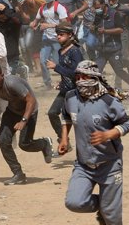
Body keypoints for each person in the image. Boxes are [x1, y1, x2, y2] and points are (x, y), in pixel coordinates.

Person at [60, 60, 129, 225]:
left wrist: (109, 134)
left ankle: (108, 208)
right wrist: (65, 138)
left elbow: (126, 124)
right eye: (77, 77)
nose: (79, 81)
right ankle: (104, 205)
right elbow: (66, 116)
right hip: (84, 165)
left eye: (84, 76)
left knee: (112, 219)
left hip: (110, 166)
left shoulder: (108, 101)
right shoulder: (71, 97)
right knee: (74, 202)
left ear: (94, 77)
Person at [0, 63, 53, 185]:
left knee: (24, 144)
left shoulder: (12, 84)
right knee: (3, 140)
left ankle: (44, 144)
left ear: (2, 75)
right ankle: (18, 174)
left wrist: (23, 121)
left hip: (29, 111)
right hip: (12, 111)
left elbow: (31, 100)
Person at [46, 22, 83, 157]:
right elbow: (67, 73)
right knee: (52, 113)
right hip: (65, 90)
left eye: (61, 35)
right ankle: (64, 140)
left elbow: (76, 73)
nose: (58, 37)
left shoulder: (75, 51)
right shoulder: (61, 51)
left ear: (70, 35)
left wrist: (56, 67)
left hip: (76, 92)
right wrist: (61, 83)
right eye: (57, 35)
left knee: (76, 121)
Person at [30, 0, 68, 88]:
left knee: (58, 62)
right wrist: (33, 23)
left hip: (58, 39)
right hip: (46, 38)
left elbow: (65, 24)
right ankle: (47, 84)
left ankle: (65, 81)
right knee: (43, 61)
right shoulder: (42, 8)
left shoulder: (59, 8)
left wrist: (49, 25)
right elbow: (36, 20)